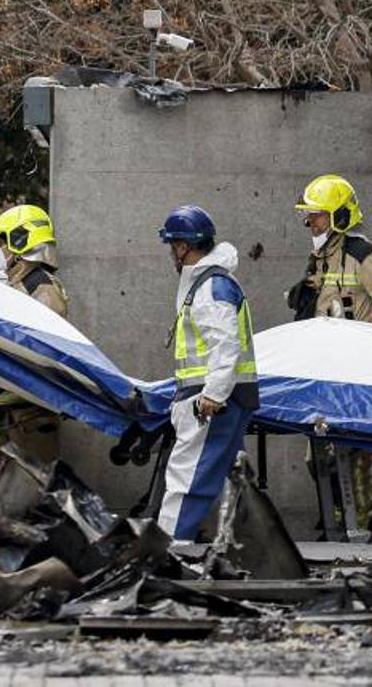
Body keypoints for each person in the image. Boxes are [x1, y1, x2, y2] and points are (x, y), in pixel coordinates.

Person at [289, 174, 372, 543]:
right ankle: (363, 520)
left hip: (360, 374)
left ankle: (349, 525)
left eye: (318, 215)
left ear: (340, 216)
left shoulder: (363, 256)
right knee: (320, 455)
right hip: (330, 372)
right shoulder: (321, 258)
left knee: (351, 456)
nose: (310, 222)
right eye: (308, 215)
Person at [157, 205, 258, 542]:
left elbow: (224, 343)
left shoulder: (209, 287)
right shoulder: (213, 283)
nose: (172, 254)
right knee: (232, 483)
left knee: (187, 480)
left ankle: (167, 551)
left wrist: (212, 395)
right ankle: (241, 548)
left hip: (211, 401)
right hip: (226, 399)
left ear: (184, 246)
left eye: (173, 247)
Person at [0, 204, 69, 491]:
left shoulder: (41, 286)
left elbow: (41, 345)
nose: (0, 252)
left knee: (32, 495)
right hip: (8, 410)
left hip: (30, 412)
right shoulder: (20, 287)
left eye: (3, 243)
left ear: (21, 239)